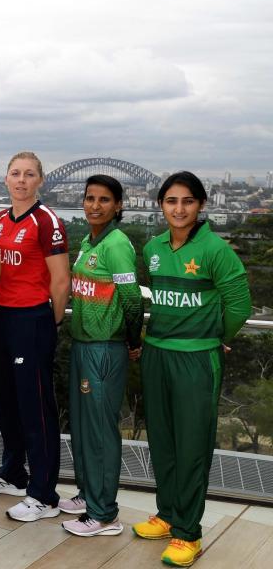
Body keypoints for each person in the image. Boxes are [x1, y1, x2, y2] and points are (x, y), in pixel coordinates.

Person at [131, 172, 251, 567]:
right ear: (161, 205)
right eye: (170, 201)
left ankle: (188, 533)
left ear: (200, 205)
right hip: (156, 355)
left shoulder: (216, 250)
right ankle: (167, 515)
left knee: (192, 446)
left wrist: (218, 336)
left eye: (187, 201)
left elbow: (239, 307)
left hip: (197, 359)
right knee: (162, 441)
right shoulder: (153, 246)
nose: (178, 209)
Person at [0, 151, 70, 522]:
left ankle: (44, 493)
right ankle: (13, 473)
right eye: (15, 174)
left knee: (36, 407)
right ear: (6, 180)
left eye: (29, 174)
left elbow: (61, 281)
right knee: (4, 399)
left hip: (33, 319)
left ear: (40, 181)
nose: (21, 180)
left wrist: (51, 323)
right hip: (2, 316)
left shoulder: (47, 221)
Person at [59, 175, 143, 538]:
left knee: (100, 432)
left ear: (118, 205)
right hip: (83, 344)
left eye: (104, 200)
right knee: (82, 427)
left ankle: (105, 513)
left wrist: (132, 339)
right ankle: (89, 494)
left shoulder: (117, 244)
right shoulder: (90, 240)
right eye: (90, 198)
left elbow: (133, 299)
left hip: (105, 347)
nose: (94, 205)